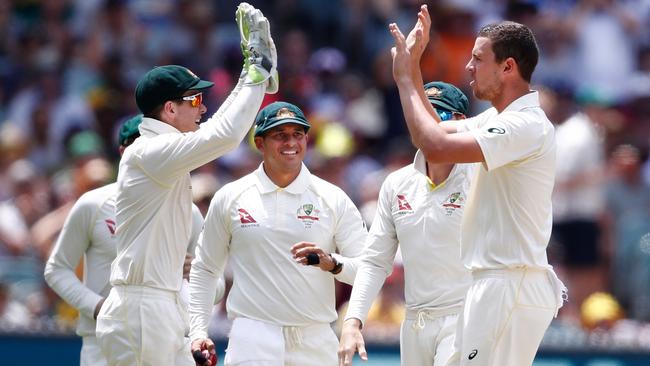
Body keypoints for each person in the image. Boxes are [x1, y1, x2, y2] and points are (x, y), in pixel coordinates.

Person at [375, 5, 566, 366]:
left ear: (508, 66)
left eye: (478, 59)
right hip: (493, 283)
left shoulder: (525, 125)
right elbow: (431, 133)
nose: (468, 67)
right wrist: (413, 66)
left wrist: (403, 79)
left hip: (511, 281)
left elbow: (434, 145)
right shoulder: (498, 120)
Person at [94, 3, 278, 366]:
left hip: (156, 307)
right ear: (169, 110)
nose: (202, 108)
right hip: (141, 309)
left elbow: (217, 130)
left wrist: (251, 75)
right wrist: (255, 72)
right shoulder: (149, 151)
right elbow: (224, 136)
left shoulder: (163, 151)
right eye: (194, 100)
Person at [188, 101, 368, 366]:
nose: (291, 143)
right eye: (280, 135)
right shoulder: (231, 196)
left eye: (298, 134)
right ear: (259, 143)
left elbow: (369, 269)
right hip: (252, 336)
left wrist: (332, 263)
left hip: (315, 337)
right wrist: (198, 332)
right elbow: (205, 269)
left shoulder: (333, 197)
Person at [43, 115, 215, 366]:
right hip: (101, 340)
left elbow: (216, 281)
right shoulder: (94, 203)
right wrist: (99, 307)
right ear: (123, 151)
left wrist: (196, 274)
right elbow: (56, 269)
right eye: (142, 143)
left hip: (168, 338)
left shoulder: (188, 211)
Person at [339, 81, 474, 366]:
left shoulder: (482, 178)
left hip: (466, 316)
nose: (425, 123)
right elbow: (375, 261)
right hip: (414, 321)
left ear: (461, 122)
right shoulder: (396, 183)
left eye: (438, 113)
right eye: (420, 114)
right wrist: (353, 320)